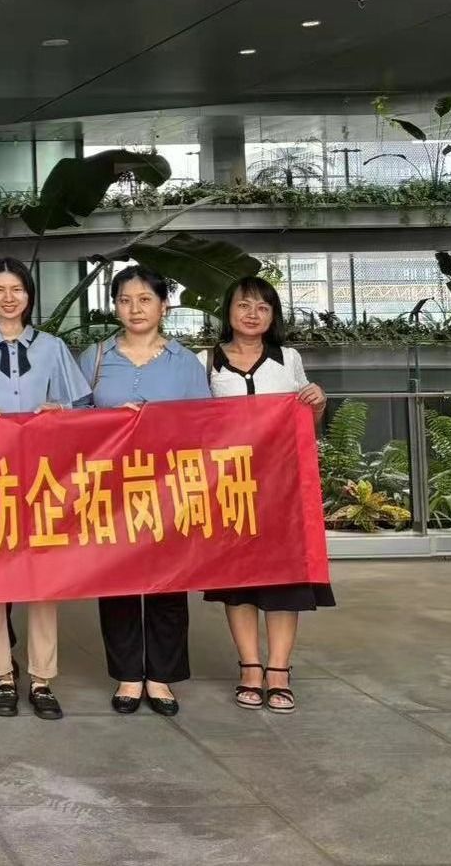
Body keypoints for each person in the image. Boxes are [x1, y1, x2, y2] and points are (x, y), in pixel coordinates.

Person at [0, 258, 92, 721]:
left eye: (17, 289)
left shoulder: (53, 347)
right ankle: (2, 675)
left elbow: (81, 409)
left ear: (29, 295)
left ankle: (42, 678)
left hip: (43, 481)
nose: (8, 298)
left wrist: (60, 411)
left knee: (42, 579)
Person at [78, 265, 212, 717]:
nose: (134, 309)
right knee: (116, 581)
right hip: (111, 488)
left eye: (145, 299)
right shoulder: (95, 357)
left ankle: (161, 677)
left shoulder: (184, 362)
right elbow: (71, 422)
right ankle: (128, 676)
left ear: (163, 306)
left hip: (169, 489)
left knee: (167, 583)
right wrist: (109, 419)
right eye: (124, 300)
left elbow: (205, 426)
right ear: (114, 307)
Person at [200, 276, 333, 714]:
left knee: (284, 581)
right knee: (238, 582)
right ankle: (250, 668)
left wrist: (317, 402)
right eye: (244, 305)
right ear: (228, 311)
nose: (252, 314)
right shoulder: (207, 361)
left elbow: (306, 424)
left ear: (273, 315)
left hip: (282, 489)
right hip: (229, 487)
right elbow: (194, 424)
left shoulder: (288, 359)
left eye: (263, 307)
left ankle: (279, 671)